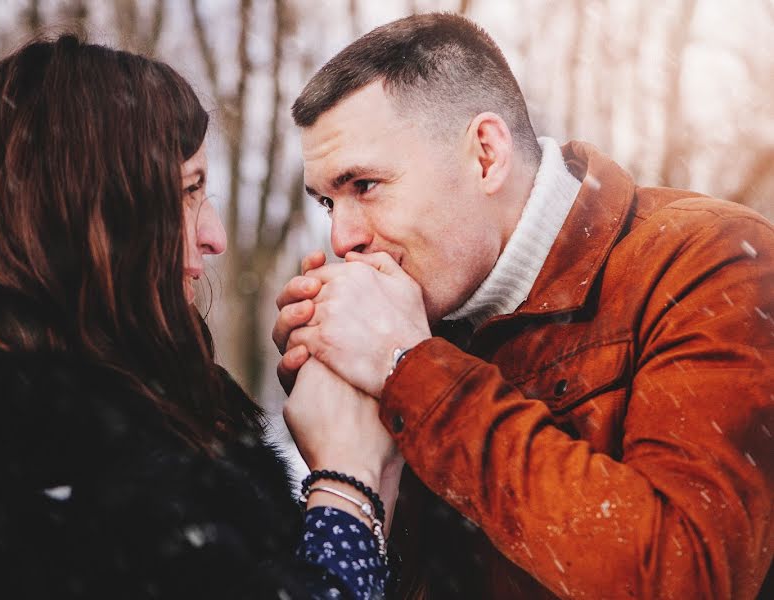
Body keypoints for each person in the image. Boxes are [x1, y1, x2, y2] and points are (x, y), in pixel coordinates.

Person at [0, 34, 397, 599]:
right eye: (187, 192)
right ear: (92, 221)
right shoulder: (15, 456)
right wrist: (346, 483)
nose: (214, 236)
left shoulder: (126, 418)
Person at [274, 12, 774, 599]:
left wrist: (410, 367)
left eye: (364, 186)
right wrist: (360, 456)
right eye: (328, 203)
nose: (342, 240)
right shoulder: (426, 309)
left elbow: (683, 576)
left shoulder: (710, 260)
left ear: (486, 155)